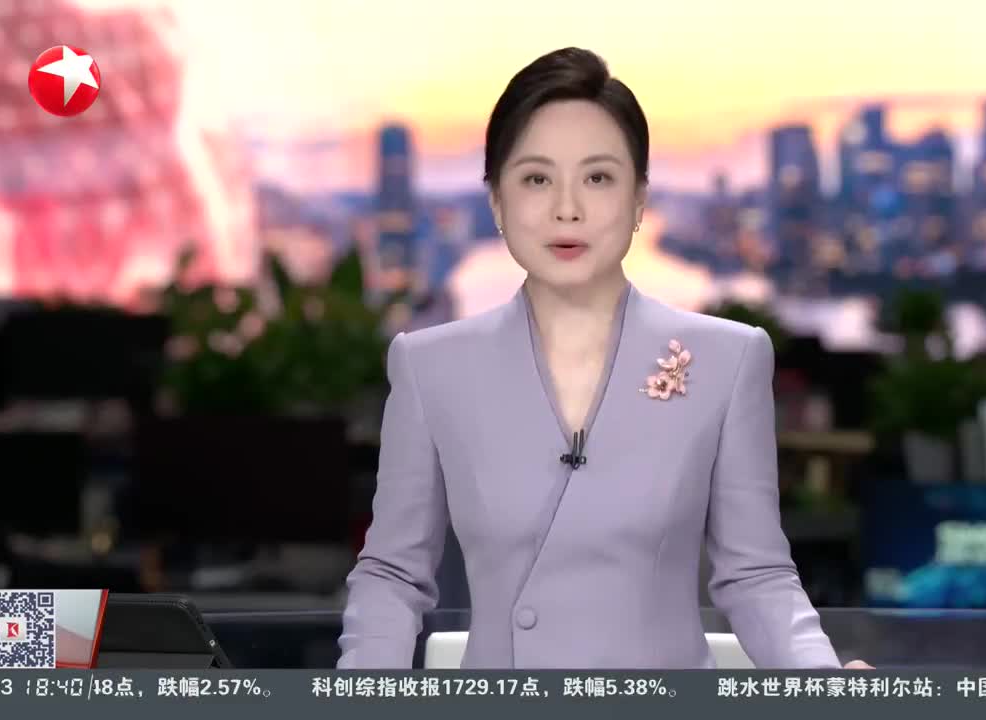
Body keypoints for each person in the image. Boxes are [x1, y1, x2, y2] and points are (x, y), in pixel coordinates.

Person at [337, 47, 870, 670]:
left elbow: (757, 576)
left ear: (640, 199)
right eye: (536, 179)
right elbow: (393, 574)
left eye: (598, 178)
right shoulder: (430, 368)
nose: (567, 208)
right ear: (497, 202)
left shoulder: (729, 360)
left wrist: (820, 681)